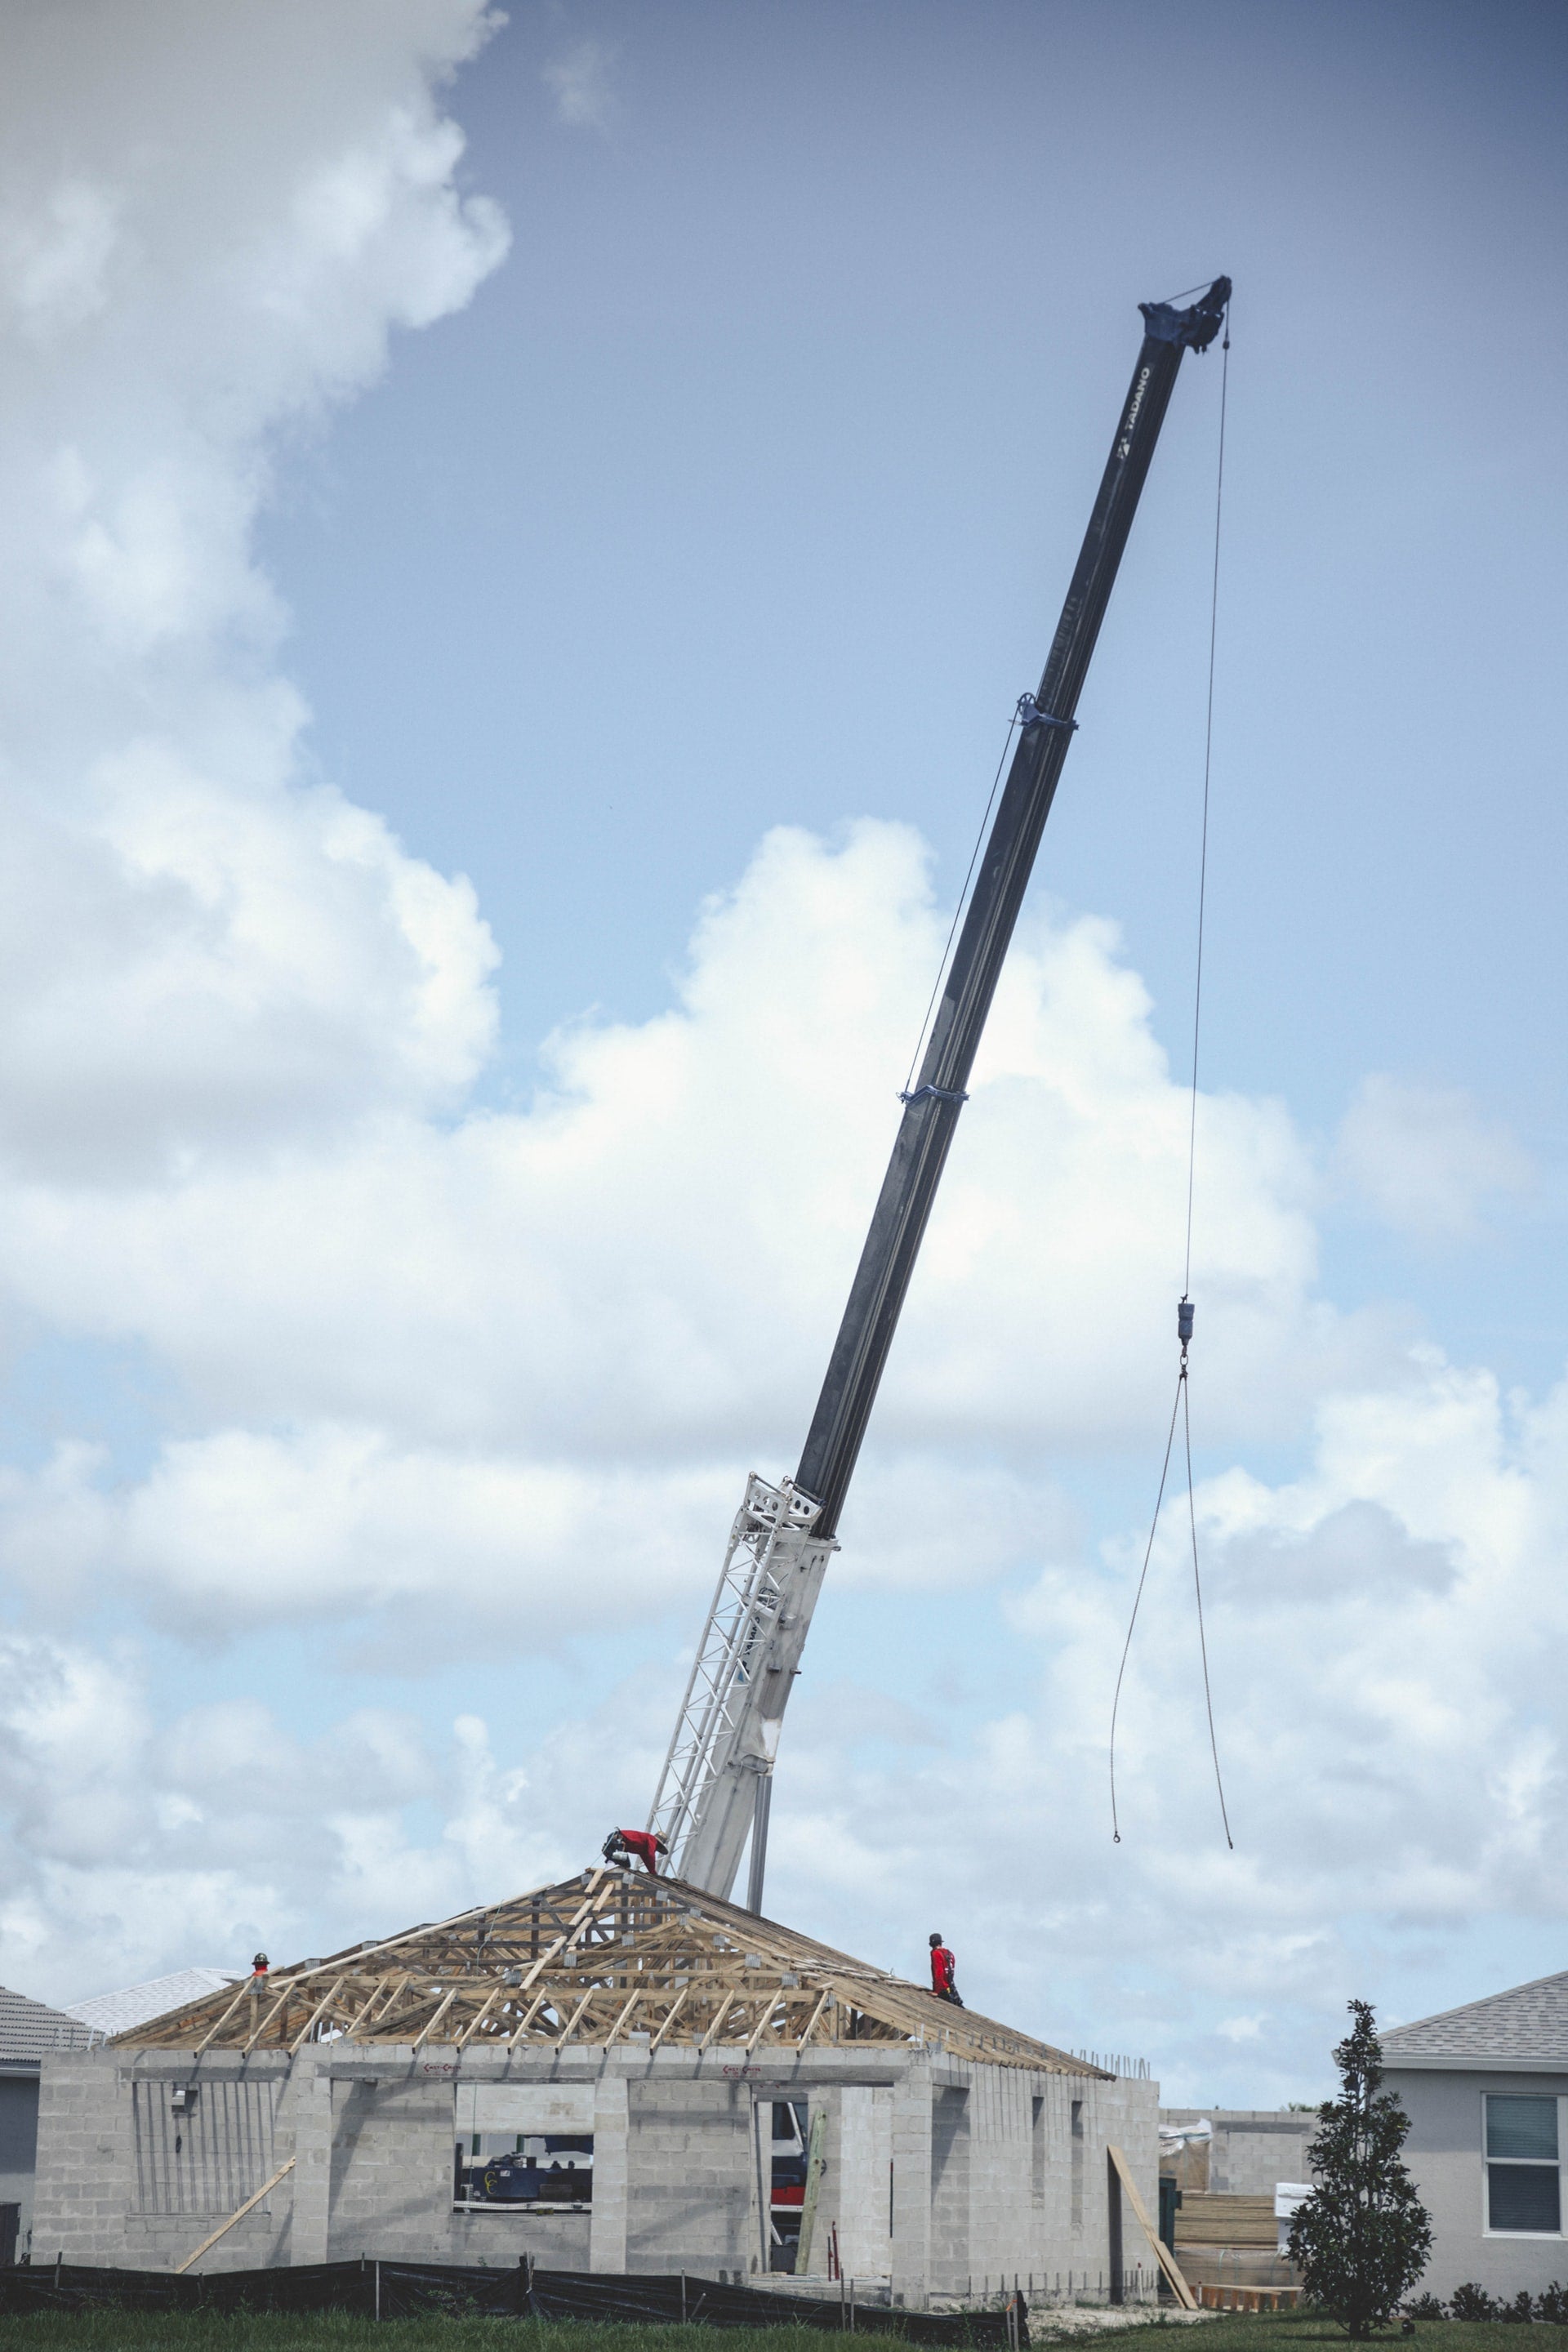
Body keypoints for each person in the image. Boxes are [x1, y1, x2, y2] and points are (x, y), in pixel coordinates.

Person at [602, 1828, 669, 1875]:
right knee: (619, 1857)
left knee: (626, 1864)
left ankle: (611, 1870)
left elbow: (648, 1861)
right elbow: (651, 1855)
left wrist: (653, 1873)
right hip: (618, 1838)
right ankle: (607, 1872)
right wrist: (654, 1874)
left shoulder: (643, 1849)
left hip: (617, 1840)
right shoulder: (652, 1839)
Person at [929, 1932, 963, 2006]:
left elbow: (939, 1972)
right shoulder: (950, 1954)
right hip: (951, 1988)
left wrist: (937, 1991)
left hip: (942, 1990)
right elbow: (951, 1972)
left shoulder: (935, 1953)